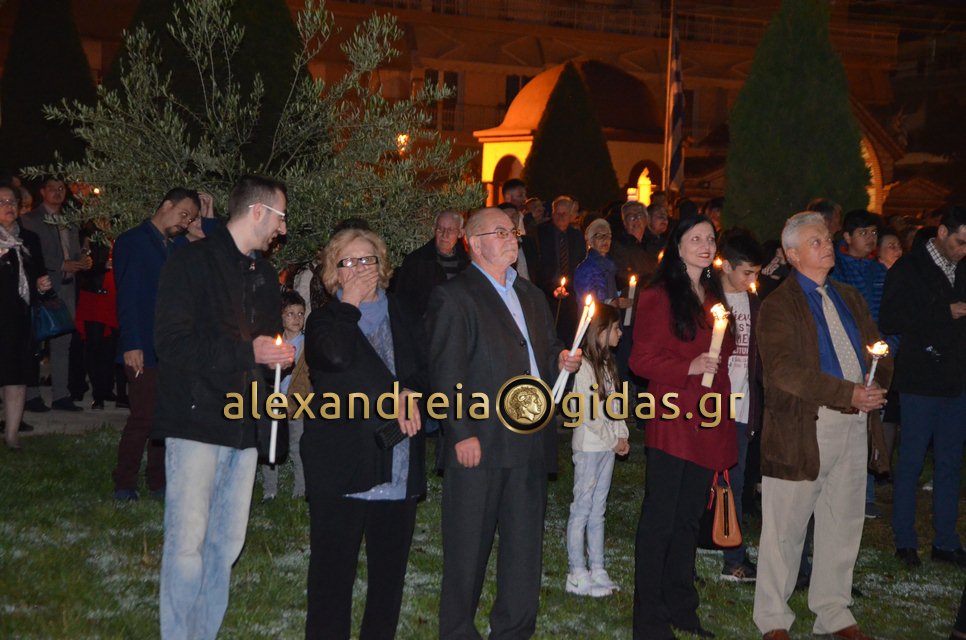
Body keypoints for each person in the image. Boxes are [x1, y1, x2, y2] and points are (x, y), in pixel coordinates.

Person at [428, 207, 581, 640]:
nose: (512, 238)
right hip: (481, 439)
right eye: (500, 232)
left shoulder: (531, 294)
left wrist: (560, 360)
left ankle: (514, 629)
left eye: (513, 231)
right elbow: (446, 371)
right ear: (474, 244)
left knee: (524, 546)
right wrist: (460, 432)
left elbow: (543, 350)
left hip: (529, 437)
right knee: (467, 548)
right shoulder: (455, 296)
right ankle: (458, 631)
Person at [153, 175, 293, 639]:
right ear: (258, 212)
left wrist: (276, 357)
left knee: (227, 544)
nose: (283, 229)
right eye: (281, 217)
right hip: (196, 419)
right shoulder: (190, 263)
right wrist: (247, 352)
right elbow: (171, 343)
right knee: (187, 542)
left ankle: (203, 632)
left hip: (243, 423)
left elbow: (263, 344)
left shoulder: (265, 276)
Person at [754, 211, 890, 640]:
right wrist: (847, 393)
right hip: (804, 427)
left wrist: (876, 381)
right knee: (785, 528)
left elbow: (877, 347)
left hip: (854, 423)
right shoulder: (779, 305)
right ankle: (773, 617)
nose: (828, 245)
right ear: (792, 255)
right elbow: (782, 371)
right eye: (816, 242)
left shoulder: (848, 296)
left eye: (827, 239)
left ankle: (833, 610)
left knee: (843, 521)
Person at [300, 227, 427, 639]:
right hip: (341, 463)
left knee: (388, 580)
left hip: (396, 460)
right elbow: (335, 358)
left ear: (382, 264)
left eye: (367, 259)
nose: (359, 268)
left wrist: (412, 391)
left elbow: (426, 368)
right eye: (348, 261)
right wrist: (350, 304)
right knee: (331, 578)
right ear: (333, 271)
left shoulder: (404, 311)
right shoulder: (323, 320)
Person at [629, 215, 737, 640]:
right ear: (677, 246)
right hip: (674, 415)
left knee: (689, 518)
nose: (705, 245)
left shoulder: (714, 295)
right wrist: (687, 366)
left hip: (708, 416)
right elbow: (640, 360)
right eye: (695, 238)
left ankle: (681, 606)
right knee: (661, 518)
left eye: (710, 238)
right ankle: (649, 618)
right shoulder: (658, 296)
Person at [880, 205, 966, 569]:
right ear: (943, 233)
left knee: (949, 463)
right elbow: (890, 318)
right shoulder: (909, 268)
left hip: (956, 378)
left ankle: (945, 540)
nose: (963, 251)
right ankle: (905, 539)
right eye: (960, 242)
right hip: (920, 380)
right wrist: (944, 312)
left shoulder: (963, 267)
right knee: (912, 461)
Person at [111, 188, 201, 502]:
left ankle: (158, 481)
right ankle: (124, 482)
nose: (186, 222)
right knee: (143, 416)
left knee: (167, 417)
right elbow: (128, 296)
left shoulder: (176, 246)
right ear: (166, 205)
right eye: (184, 214)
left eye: (190, 218)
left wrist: (204, 222)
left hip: (172, 347)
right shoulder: (132, 241)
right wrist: (132, 343)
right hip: (142, 345)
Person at [564, 303, 629, 597]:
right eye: (616, 328)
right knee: (582, 507)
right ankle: (577, 571)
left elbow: (614, 404)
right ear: (601, 332)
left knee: (598, 509)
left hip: (606, 447)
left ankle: (598, 568)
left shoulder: (607, 365)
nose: (620, 333)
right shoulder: (584, 367)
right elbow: (589, 413)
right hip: (590, 447)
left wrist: (621, 433)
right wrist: (611, 439)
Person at [829, 209, 886, 520]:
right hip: (845, 358)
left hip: (876, 358)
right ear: (847, 237)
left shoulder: (879, 272)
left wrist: (886, 352)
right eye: (863, 233)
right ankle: (841, 492)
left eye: (874, 233)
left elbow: (887, 316)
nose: (870, 239)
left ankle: (866, 493)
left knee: (871, 425)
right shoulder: (836, 270)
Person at [20, 176, 91, 412]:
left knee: (63, 342)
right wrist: (61, 265)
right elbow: (31, 253)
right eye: (52, 189)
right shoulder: (31, 219)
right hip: (42, 287)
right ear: (42, 192)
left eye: (61, 188)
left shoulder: (69, 220)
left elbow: (73, 252)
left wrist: (82, 261)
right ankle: (31, 395)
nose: (58, 192)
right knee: (36, 342)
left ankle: (61, 394)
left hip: (67, 287)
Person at [716, 231, 764, 582]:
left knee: (734, 479)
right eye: (747, 272)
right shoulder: (708, 300)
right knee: (704, 482)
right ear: (726, 266)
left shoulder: (755, 303)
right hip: (709, 406)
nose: (752, 280)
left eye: (756, 273)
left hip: (742, 407)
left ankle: (733, 555)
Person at [0, 184, 52, 449]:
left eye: (12, 201)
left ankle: (12, 436)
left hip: (19, 320)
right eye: (2, 202)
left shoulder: (28, 239)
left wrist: (42, 285)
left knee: (16, 377)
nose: (8, 206)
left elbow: (39, 274)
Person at [259, 290, 307, 502]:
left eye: (300, 314)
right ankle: (270, 490)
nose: (296, 318)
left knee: (297, 447)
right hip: (273, 402)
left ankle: (300, 489)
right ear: (281, 316)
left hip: (297, 404)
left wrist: (295, 402)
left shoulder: (307, 346)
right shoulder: (273, 343)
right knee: (271, 445)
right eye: (290, 314)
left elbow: (307, 379)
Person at [391, 209, 469, 319]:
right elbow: (403, 304)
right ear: (434, 229)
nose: (444, 235)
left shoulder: (467, 264)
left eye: (450, 230)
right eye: (440, 229)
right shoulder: (416, 261)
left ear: (460, 233)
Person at [536, 196, 586, 340]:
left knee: (568, 335)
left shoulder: (577, 236)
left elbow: (580, 262)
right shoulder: (541, 233)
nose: (561, 216)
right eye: (558, 213)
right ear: (552, 213)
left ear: (571, 215)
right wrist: (551, 288)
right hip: (547, 294)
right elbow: (538, 265)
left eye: (565, 213)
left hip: (570, 296)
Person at [573, 218, 630, 309]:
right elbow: (586, 300)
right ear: (590, 242)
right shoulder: (585, 269)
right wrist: (612, 303)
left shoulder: (611, 265)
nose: (605, 239)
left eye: (608, 236)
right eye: (599, 236)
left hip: (611, 315)